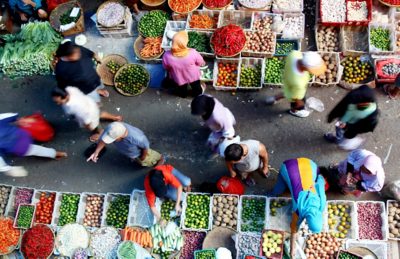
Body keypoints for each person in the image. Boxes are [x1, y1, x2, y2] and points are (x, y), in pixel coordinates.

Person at [269, 158, 326, 257]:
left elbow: (321, 182)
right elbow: (294, 229)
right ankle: (272, 193)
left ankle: (291, 182)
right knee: (279, 189)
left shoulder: (321, 204)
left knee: (302, 181)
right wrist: (292, 248)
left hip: (310, 164)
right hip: (288, 167)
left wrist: (317, 178)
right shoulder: (298, 209)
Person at [0, 113, 66, 177]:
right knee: (33, 144)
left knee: (35, 150)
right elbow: (12, 115)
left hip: (19, 147)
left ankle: (55, 154)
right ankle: (54, 151)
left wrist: (8, 169)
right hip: (22, 134)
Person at [265, 51, 326, 118]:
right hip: (295, 94)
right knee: (295, 103)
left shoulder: (294, 54)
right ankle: (294, 111)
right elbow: (295, 97)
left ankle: (274, 98)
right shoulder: (299, 82)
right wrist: (300, 103)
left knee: (287, 92)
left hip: (287, 81)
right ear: (305, 67)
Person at [51, 87, 121, 142]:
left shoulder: (75, 107)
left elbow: (86, 120)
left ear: (65, 96)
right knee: (99, 113)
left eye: (58, 101)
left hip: (89, 115)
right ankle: (115, 117)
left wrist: (89, 127)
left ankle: (100, 133)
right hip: (90, 104)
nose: (58, 104)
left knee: (96, 125)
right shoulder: (70, 89)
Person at [325, 85, 379, 150]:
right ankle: (339, 139)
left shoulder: (372, 114)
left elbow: (365, 128)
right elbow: (341, 105)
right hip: (342, 120)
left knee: (345, 135)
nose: (356, 104)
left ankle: (340, 141)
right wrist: (331, 116)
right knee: (338, 129)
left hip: (351, 128)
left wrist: (347, 126)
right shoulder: (352, 97)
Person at [87, 122, 164, 167]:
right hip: (131, 153)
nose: (109, 142)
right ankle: (134, 158)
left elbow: (145, 147)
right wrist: (96, 152)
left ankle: (161, 159)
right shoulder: (113, 127)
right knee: (136, 159)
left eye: (112, 139)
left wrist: (142, 158)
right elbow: (103, 141)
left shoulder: (137, 138)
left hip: (139, 154)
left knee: (148, 160)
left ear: (120, 136)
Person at [162, 30, 205, 98]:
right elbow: (200, 62)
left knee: (181, 88)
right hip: (193, 76)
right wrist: (201, 63)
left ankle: (183, 95)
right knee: (196, 86)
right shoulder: (193, 52)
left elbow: (166, 67)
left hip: (178, 77)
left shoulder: (166, 55)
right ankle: (197, 95)